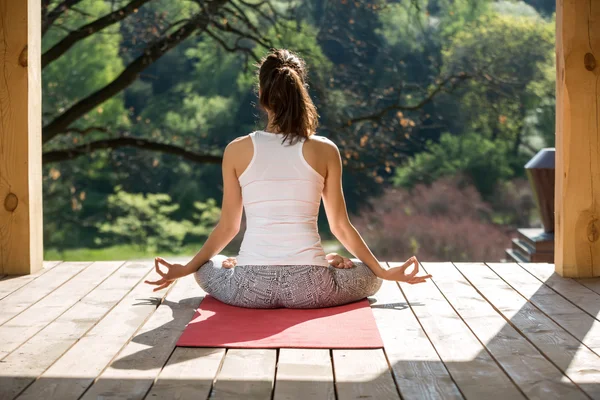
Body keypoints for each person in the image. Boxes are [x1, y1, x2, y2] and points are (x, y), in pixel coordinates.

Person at [145, 49, 432, 308]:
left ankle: (244, 264)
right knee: (368, 275)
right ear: (301, 89)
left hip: (249, 288)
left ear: (261, 94)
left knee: (211, 265)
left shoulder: (236, 150)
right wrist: (382, 271)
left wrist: (186, 268)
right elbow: (340, 227)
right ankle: (328, 263)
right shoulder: (325, 149)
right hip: (313, 288)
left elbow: (228, 228)